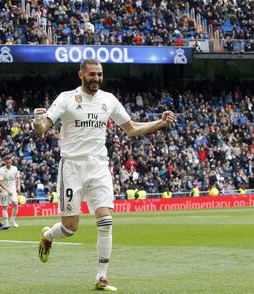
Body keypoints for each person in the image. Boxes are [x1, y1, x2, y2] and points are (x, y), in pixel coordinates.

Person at [33, 58, 175, 291]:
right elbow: (43, 127)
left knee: (106, 220)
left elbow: (131, 129)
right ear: (81, 75)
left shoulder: (108, 100)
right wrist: (37, 121)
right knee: (70, 228)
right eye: (92, 74)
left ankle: (101, 277)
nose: (97, 78)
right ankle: (48, 235)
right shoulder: (66, 98)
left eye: (99, 74)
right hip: (72, 167)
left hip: (99, 166)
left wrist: (159, 123)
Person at [0, 155, 21, 227]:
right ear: (5, 162)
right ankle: (6, 222)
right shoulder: (1, 170)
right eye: (7, 162)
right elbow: (0, 182)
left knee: (16, 204)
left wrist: (18, 186)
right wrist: (7, 190)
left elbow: (18, 178)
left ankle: (13, 220)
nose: (9, 164)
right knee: (5, 206)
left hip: (13, 189)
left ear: (11, 161)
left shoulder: (15, 168)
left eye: (10, 162)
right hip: (4, 190)